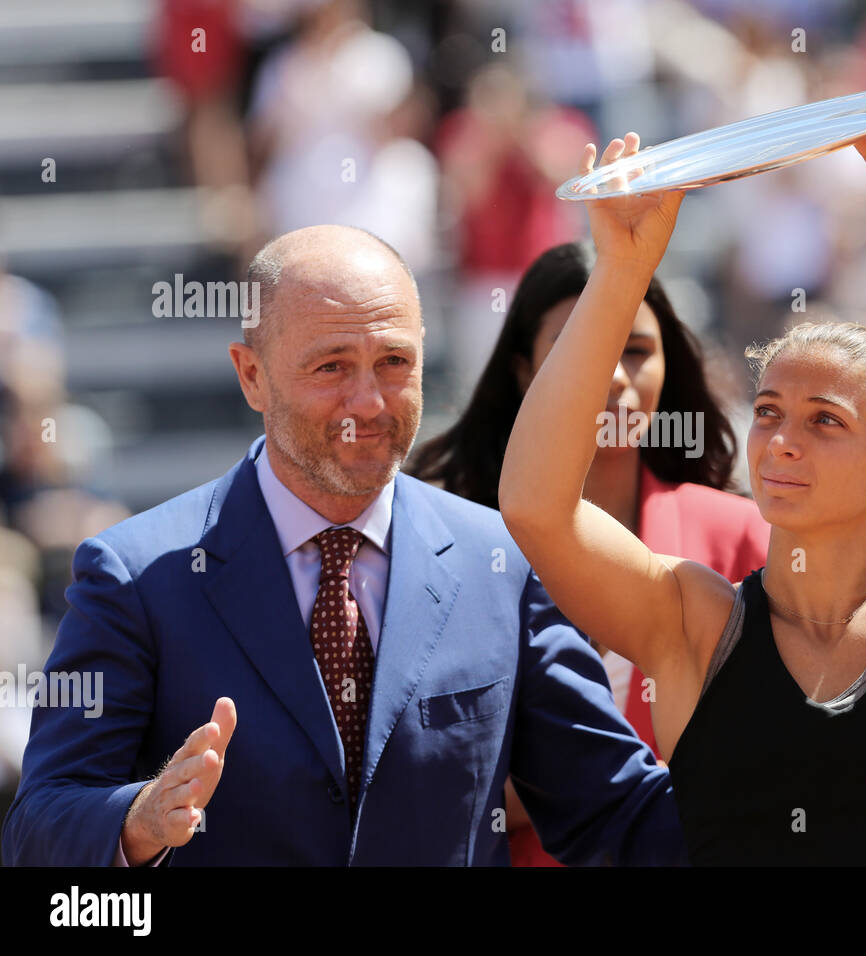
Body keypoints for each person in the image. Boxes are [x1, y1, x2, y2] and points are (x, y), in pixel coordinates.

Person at [1, 225, 685, 866]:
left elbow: (616, 808)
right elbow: (39, 823)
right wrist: (140, 820)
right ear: (251, 376)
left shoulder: (501, 564)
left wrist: (778, 793)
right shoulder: (137, 576)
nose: (369, 402)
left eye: (394, 362)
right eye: (331, 367)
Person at [499, 81, 866, 864]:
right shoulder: (697, 622)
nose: (781, 441)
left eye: (825, 420)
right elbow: (535, 507)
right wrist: (620, 271)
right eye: (767, 413)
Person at [408, 240, 768, 864]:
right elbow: (422, 770)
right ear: (524, 371)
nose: (615, 376)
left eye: (635, 350)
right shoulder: (448, 544)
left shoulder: (741, 533)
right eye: (585, 349)